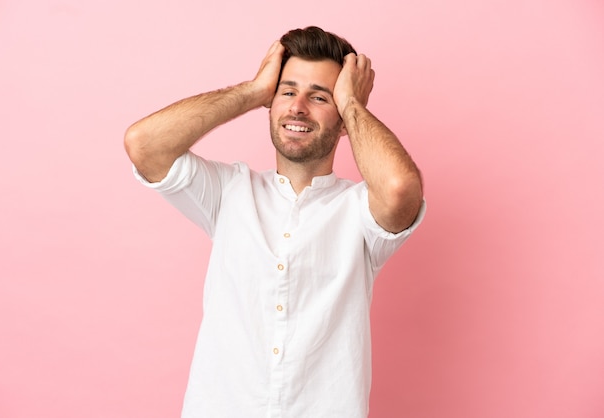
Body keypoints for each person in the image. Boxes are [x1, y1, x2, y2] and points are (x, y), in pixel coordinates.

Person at [125, 26, 426, 418]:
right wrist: (253, 91)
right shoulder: (230, 191)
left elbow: (401, 188)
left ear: (340, 116)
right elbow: (143, 145)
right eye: (287, 91)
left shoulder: (359, 212)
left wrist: (353, 105)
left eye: (319, 97)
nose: (298, 107)